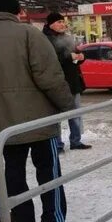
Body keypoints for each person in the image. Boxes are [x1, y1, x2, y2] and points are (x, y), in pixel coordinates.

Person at [0, 0, 79, 222]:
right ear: (17, 10)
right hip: (39, 120)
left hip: (3, 126)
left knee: (13, 174)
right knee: (48, 171)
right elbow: (49, 76)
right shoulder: (30, 35)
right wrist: (67, 106)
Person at [43, 11, 91, 152]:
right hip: (56, 83)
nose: (62, 24)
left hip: (73, 82)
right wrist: (69, 57)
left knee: (75, 113)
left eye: (63, 21)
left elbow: (76, 54)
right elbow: (50, 60)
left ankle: (75, 141)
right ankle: (57, 144)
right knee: (56, 116)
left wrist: (81, 56)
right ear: (51, 24)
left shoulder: (67, 38)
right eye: (59, 22)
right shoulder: (45, 39)